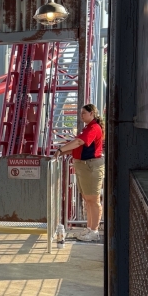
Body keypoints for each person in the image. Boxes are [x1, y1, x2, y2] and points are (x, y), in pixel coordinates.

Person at [54, 103, 104, 243]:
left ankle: (94, 231)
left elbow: (78, 142)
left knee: (93, 200)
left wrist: (60, 150)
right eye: (81, 113)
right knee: (88, 199)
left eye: (84, 113)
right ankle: (90, 228)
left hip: (91, 166)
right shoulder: (88, 128)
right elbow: (78, 147)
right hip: (85, 166)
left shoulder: (93, 128)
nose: (81, 115)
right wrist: (63, 152)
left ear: (92, 114)